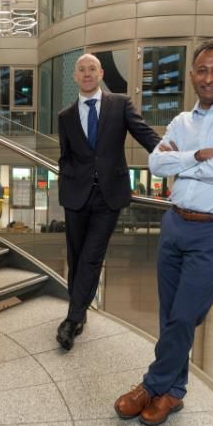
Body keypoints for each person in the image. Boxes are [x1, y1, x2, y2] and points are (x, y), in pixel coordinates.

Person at [113, 39, 213, 426]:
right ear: (192, 76)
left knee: (184, 316)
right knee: (170, 315)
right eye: (202, 70)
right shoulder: (183, 122)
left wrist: (183, 163)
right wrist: (198, 155)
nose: (209, 77)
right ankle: (173, 393)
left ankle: (152, 385)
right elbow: (157, 163)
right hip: (176, 223)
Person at [56, 53, 160, 350]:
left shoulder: (120, 104)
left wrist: (175, 156)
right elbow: (65, 157)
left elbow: (145, 135)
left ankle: (71, 319)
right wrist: (69, 182)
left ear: (100, 73)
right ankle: (80, 315)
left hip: (109, 195)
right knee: (76, 255)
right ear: (75, 77)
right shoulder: (65, 116)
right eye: (81, 70)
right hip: (76, 196)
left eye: (92, 69)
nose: (87, 74)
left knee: (91, 255)